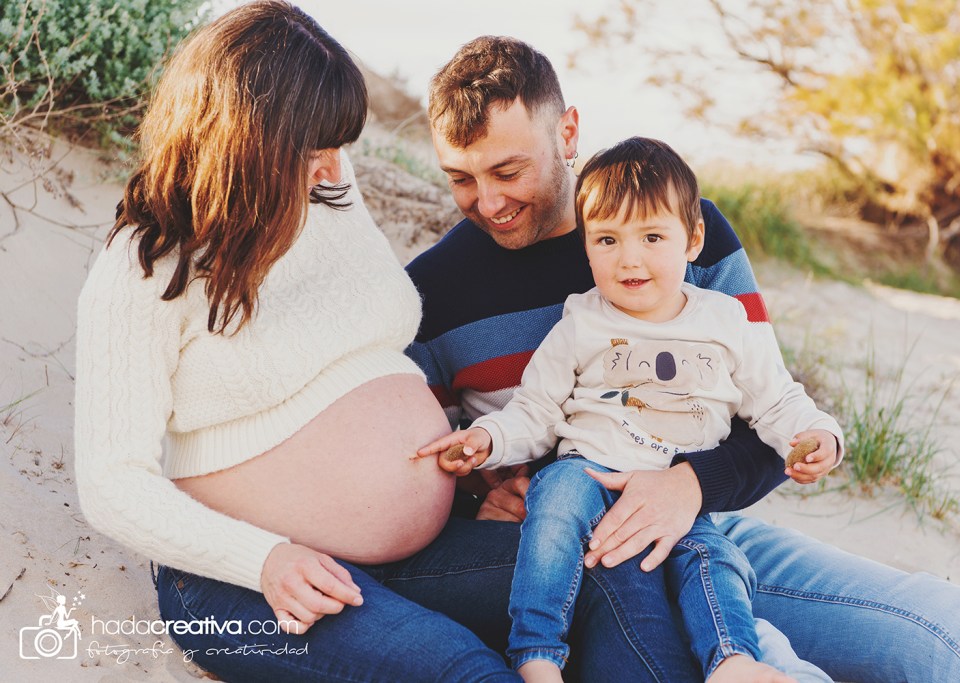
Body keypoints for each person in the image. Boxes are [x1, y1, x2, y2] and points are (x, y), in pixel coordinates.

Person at [75, 3, 762, 681]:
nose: (332, 166)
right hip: (244, 576)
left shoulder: (328, 197)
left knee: (616, 578)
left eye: (336, 145)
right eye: (312, 148)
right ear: (247, 137)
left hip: (418, 546)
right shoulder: (145, 265)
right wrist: (263, 559)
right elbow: (111, 483)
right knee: (463, 669)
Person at [406, 35, 960, 683]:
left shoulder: (684, 230)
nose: (489, 202)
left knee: (945, 627)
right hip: (570, 558)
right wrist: (478, 500)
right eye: (460, 179)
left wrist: (689, 485)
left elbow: (769, 410)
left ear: (567, 132)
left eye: (507, 172)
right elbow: (424, 471)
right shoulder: (432, 295)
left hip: (707, 528)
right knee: (776, 663)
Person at [419, 136, 844, 683]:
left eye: (651, 236)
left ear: (692, 240)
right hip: (587, 468)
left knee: (712, 560)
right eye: (607, 240)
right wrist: (487, 442)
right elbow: (536, 410)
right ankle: (537, 653)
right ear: (588, 249)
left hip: (675, 488)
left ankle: (733, 660)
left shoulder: (725, 321)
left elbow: (777, 398)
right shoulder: (582, 321)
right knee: (552, 518)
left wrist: (816, 435)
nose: (630, 258)